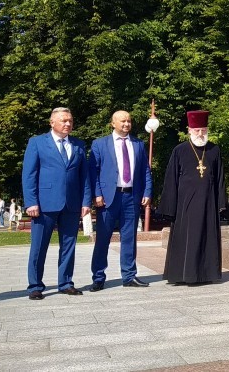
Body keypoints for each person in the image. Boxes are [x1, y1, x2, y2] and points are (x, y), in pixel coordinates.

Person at [21, 107, 92, 300]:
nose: (68, 124)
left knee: (69, 245)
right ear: (52, 122)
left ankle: (66, 282)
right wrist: (31, 202)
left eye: (70, 120)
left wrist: (86, 201)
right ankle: (35, 285)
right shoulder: (37, 143)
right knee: (39, 246)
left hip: (71, 203)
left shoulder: (78, 144)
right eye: (63, 120)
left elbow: (84, 177)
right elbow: (29, 175)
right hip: (44, 204)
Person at [88, 110, 153, 291]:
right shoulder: (100, 144)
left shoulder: (138, 144)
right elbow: (93, 172)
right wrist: (97, 194)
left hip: (131, 197)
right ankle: (98, 277)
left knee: (129, 238)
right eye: (123, 121)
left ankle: (129, 276)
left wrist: (147, 191)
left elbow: (145, 171)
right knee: (103, 239)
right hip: (108, 198)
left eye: (129, 121)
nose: (126, 124)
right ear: (113, 123)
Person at [160, 110, 225, 284]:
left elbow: (220, 178)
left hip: (208, 203)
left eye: (203, 130)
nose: (200, 133)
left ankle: (206, 274)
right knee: (186, 238)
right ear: (189, 130)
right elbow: (171, 179)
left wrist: (221, 203)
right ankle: (183, 275)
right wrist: (170, 207)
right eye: (197, 130)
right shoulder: (179, 150)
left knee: (207, 237)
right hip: (185, 205)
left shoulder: (214, 150)